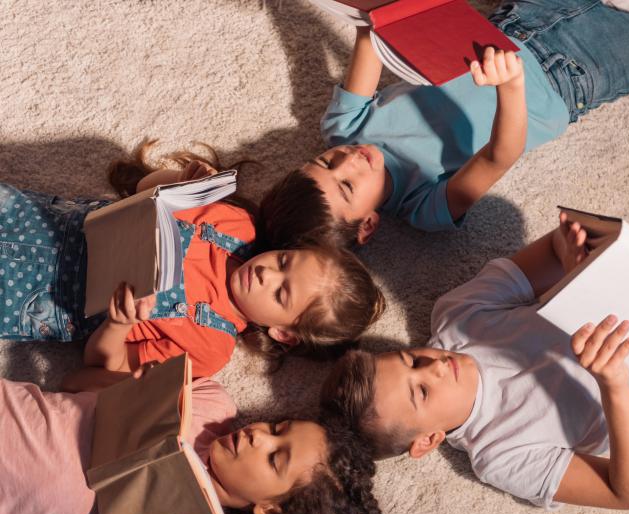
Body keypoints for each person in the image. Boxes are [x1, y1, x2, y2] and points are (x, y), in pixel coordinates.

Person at [322, 211, 629, 510]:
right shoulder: (502, 454)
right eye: (422, 391)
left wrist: (577, 262)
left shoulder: (459, 316)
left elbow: (558, 244)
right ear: (428, 441)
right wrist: (614, 386)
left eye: (411, 358)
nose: (433, 365)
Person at [261, 0, 629, 245]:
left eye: (326, 163)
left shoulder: (344, 129)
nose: (348, 161)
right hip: (574, 78)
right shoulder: (424, 209)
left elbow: (371, 35)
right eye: (348, 185)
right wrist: (511, 86)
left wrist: (370, 13)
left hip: (515, 23)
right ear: (368, 225)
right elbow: (500, 155)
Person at [0, 365, 381, 514]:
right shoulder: (211, 405)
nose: (259, 435)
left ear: (269, 510)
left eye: (274, 458)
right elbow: (74, 379)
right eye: (277, 428)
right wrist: (130, 386)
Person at [0, 147, 385, 376]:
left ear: (283, 333)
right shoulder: (238, 224)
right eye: (284, 260)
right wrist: (181, 180)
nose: (266, 274)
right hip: (46, 221)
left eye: (281, 293)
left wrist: (119, 324)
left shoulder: (211, 348)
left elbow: (103, 363)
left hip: (38, 298)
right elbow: (143, 191)